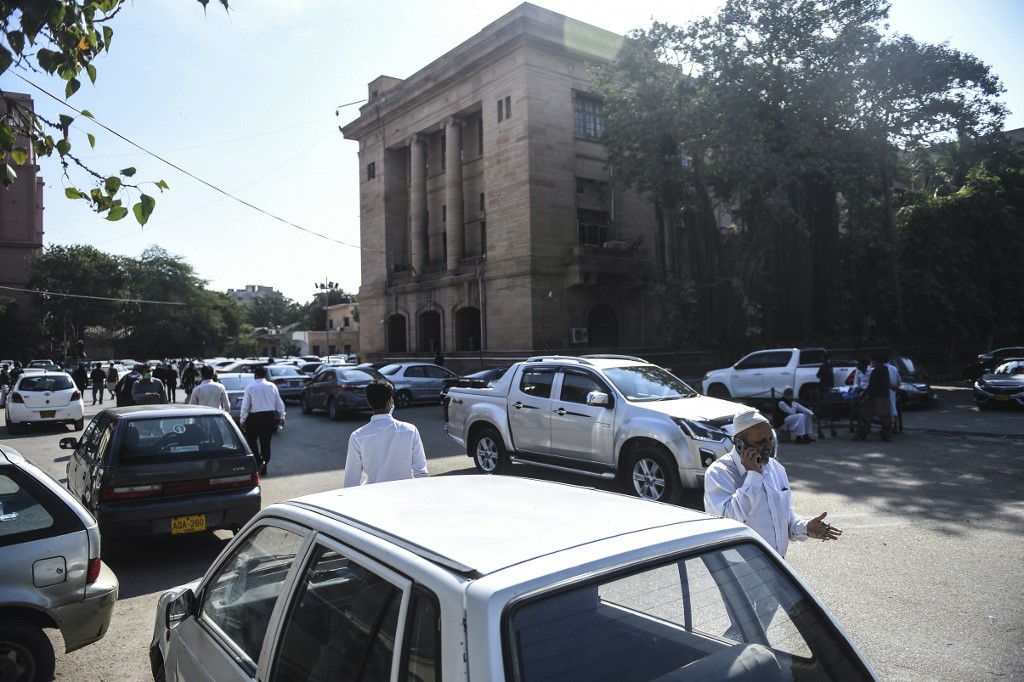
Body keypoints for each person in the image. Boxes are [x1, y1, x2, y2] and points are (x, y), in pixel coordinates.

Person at [704, 408, 841, 558]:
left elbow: (784, 516)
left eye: (770, 439)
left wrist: (805, 527)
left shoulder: (776, 468)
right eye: (761, 441)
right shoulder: (719, 473)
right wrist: (753, 476)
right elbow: (729, 521)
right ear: (739, 442)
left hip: (775, 562)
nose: (769, 446)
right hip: (740, 565)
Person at [344, 380, 429, 487]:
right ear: (391, 401)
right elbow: (421, 473)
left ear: (369, 402)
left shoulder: (357, 436)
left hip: (374, 494)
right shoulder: (410, 430)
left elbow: (351, 481)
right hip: (405, 492)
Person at [240, 365, 286, 476]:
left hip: (255, 417)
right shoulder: (272, 386)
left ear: (255, 375)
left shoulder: (250, 387)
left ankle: (259, 461)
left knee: (251, 441)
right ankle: (264, 467)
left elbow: (245, 406)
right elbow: (279, 403)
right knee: (266, 443)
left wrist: (242, 419)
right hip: (269, 416)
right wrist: (281, 416)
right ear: (265, 375)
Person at [856, 353, 891, 442]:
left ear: (877, 361)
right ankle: (886, 434)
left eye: (873, 361)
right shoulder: (885, 370)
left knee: (864, 410)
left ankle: (865, 429)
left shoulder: (876, 371)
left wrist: (862, 395)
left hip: (875, 396)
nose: (872, 363)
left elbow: (872, 385)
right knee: (884, 416)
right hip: (884, 396)